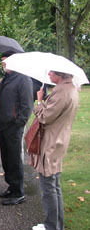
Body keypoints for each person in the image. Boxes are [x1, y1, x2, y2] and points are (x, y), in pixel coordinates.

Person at [31, 71, 79, 230]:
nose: (48, 74)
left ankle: (52, 226)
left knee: (48, 187)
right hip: (59, 140)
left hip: (51, 142)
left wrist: (39, 101)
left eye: (51, 72)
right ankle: (56, 225)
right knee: (54, 185)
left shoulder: (61, 92)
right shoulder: (70, 89)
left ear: (59, 74)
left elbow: (44, 117)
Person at [0, 51, 33, 205]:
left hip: (13, 125)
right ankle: (11, 186)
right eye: (2, 62)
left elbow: (27, 105)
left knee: (14, 159)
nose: (3, 64)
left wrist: (19, 122)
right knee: (6, 158)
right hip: (3, 123)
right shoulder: (6, 79)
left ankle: (18, 192)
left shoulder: (23, 79)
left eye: (6, 61)